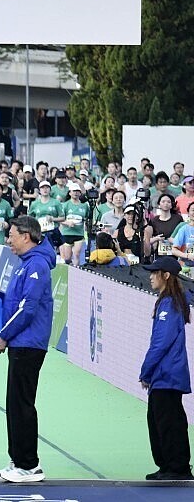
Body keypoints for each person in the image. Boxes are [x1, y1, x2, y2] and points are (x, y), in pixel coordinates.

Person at [0, 216, 56, 483]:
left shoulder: (36, 265)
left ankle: (28, 465)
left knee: (21, 404)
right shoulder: (26, 263)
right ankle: (18, 460)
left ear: (26, 236)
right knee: (14, 404)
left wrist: (4, 335)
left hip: (28, 343)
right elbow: (18, 300)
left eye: (11, 236)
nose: (8, 240)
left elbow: (28, 308)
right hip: (22, 342)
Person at [140, 256, 193, 481]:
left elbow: (161, 343)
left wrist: (146, 371)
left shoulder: (170, 304)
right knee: (160, 421)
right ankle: (169, 466)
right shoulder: (169, 301)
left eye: (155, 273)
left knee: (168, 421)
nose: (151, 277)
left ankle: (177, 468)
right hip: (165, 374)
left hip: (167, 374)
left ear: (166, 276)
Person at [59, 183, 90, 266]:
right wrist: (67, 223)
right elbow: (60, 219)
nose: (76, 193)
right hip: (67, 233)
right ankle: (69, 268)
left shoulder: (84, 205)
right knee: (67, 258)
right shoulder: (65, 205)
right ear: (70, 193)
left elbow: (88, 218)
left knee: (76, 254)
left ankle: (76, 270)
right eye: (74, 191)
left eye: (77, 191)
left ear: (80, 193)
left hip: (79, 233)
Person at [146, 194, 182, 261]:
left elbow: (183, 235)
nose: (166, 204)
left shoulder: (178, 219)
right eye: (163, 201)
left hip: (175, 254)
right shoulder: (154, 220)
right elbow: (148, 240)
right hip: (159, 255)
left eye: (168, 202)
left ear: (171, 205)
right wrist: (156, 238)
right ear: (159, 205)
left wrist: (175, 240)